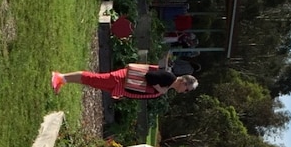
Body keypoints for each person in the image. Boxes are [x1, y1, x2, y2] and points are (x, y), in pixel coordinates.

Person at [51, 65, 198, 99]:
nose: (185, 92)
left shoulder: (169, 84)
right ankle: (60, 76)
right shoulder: (169, 78)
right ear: (184, 83)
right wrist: (159, 88)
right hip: (122, 79)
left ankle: (63, 80)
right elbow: (150, 76)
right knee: (93, 78)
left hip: (123, 85)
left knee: (93, 82)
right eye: (187, 90)